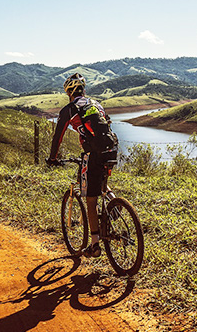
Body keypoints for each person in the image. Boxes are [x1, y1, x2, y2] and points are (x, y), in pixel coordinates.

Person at [46, 73, 118, 258]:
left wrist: (52, 158)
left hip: (92, 154)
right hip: (111, 149)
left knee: (91, 199)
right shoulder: (96, 104)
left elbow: (58, 137)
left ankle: (94, 245)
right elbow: (107, 124)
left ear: (69, 92)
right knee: (101, 183)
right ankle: (115, 203)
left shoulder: (69, 110)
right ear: (83, 90)